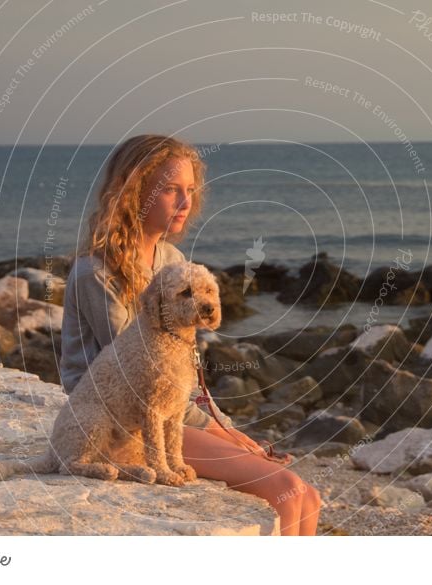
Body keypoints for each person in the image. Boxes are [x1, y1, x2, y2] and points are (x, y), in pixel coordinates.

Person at [59, 134, 322, 536]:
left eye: (189, 191)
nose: (185, 203)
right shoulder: (96, 274)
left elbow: (182, 367)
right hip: (124, 425)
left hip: (173, 413)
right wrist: (226, 434)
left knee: (310, 496)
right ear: (133, 193)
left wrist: (226, 424)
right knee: (286, 488)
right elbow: (143, 381)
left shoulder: (172, 261)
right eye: (169, 190)